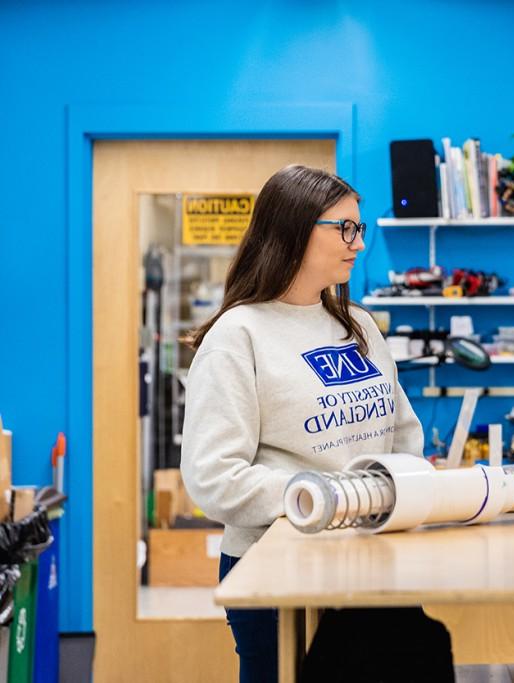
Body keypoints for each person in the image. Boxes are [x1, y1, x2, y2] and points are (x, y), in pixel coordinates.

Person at [181, 165, 425, 682]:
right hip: (274, 569)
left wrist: (406, 493)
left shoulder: (357, 325)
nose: (358, 243)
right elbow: (214, 477)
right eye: (345, 228)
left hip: (370, 558)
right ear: (293, 229)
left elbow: (403, 435)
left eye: (359, 228)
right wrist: (331, 495)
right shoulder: (238, 335)